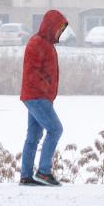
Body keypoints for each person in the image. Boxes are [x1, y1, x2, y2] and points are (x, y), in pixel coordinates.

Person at [19, 10, 69, 186]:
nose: (60, 32)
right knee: (55, 129)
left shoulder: (45, 44)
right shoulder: (37, 43)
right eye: (59, 28)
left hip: (37, 96)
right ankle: (44, 171)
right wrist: (45, 87)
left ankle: (26, 176)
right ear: (51, 26)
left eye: (62, 30)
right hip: (37, 96)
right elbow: (32, 73)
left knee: (34, 135)